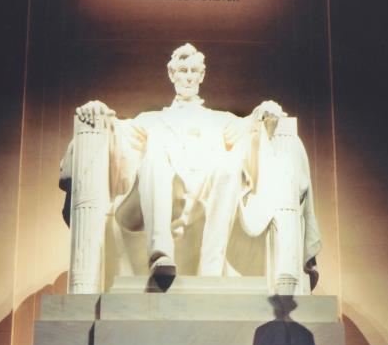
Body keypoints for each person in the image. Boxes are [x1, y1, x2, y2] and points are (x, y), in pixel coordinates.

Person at [72, 43, 320, 284]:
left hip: (208, 193)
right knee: (155, 154)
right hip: (162, 193)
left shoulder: (220, 120)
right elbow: (118, 133)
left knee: (229, 166)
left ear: (202, 76)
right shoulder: (151, 120)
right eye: (183, 71)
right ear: (172, 75)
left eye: (194, 71)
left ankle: (212, 266)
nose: (188, 77)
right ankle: (160, 254)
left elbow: (251, 130)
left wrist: (264, 111)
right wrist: (99, 112)